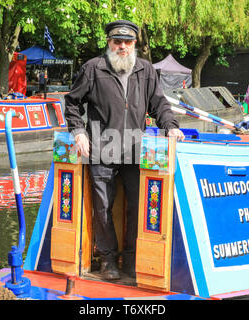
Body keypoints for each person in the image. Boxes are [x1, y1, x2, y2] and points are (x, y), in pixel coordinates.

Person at [64, 20, 184, 280]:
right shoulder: (92, 69)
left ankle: (131, 259)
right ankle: (108, 261)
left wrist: (170, 127)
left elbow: (159, 104)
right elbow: (72, 103)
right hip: (102, 147)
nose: (122, 47)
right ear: (109, 42)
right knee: (103, 207)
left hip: (135, 148)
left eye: (127, 42)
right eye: (117, 41)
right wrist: (78, 132)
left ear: (134, 44)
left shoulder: (146, 70)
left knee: (139, 206)